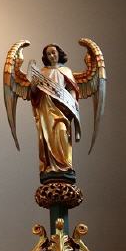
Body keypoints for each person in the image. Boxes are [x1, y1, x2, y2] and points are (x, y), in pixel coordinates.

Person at [28, 44, 80, 177]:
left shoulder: (66, 71)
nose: (52, 56)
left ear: (58, 53)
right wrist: (33, 84)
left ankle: (65, 165)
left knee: (62, 131)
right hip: (46, 107)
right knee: (48, 137)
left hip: (61, 108)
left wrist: (73, 100)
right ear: (46, 57)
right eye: (49, 54)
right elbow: (34, 93)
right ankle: (50, 166)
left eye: (53, 52)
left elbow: (72, 88)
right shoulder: (42, 72)